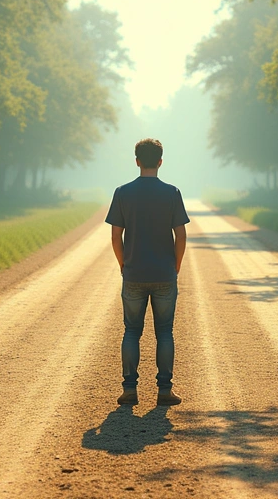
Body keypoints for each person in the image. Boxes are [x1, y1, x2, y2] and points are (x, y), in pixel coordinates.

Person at [106, 138, 190, 406]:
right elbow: (181, 234)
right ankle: (164, 391)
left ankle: (129, 390)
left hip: (133, 273)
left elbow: (116, 234)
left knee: (132, 331)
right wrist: (175, 264)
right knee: (165, 332)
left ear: (137, 161)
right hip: (165, 272)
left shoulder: (122, 192)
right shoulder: (172, 193)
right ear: (161, 161)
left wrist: (123, 263)